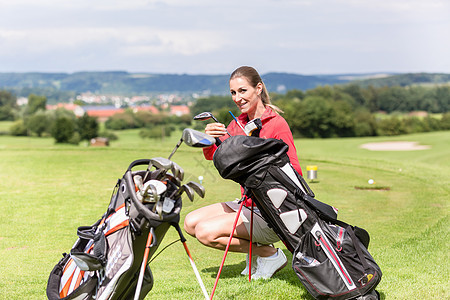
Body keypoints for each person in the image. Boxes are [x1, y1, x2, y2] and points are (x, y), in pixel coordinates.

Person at [184, 66, 302, 279]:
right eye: (233, 93)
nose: (237, 98)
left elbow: (294, 172)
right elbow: (213, 155)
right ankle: (257, 253)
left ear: (258, 88)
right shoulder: (239, 123)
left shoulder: (276, 124)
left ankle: (269, 254)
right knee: (190, 223)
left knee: (205, 232)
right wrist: (209, 140)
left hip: (273, 211)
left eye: (242, 91)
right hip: (248, 203)